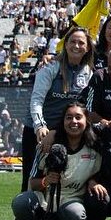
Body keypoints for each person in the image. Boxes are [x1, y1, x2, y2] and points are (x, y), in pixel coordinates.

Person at [11, 102, 103, 220]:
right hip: (44, 200)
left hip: (72, 200)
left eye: (78, 117)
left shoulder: (95, 149)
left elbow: (100, 173)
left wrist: (94, 181)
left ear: (86, 121)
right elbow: (32, 182)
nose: (73, 122)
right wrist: (45, 181)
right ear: (63, 122)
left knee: (75, 213)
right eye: (69, 118)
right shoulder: (47, 146)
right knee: (20, 202)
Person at [24, 27, 94, 190]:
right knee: (32, 178)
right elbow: (36, 100)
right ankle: (25, 213)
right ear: (65, 45)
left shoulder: (89, 73)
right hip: (37, 130)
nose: (76, 46)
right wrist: (40, 126)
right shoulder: (50, 67)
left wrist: (58, 131)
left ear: (88, 47)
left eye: (81, 43)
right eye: (73, 42)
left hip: (67, 131)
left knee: (63, 177)